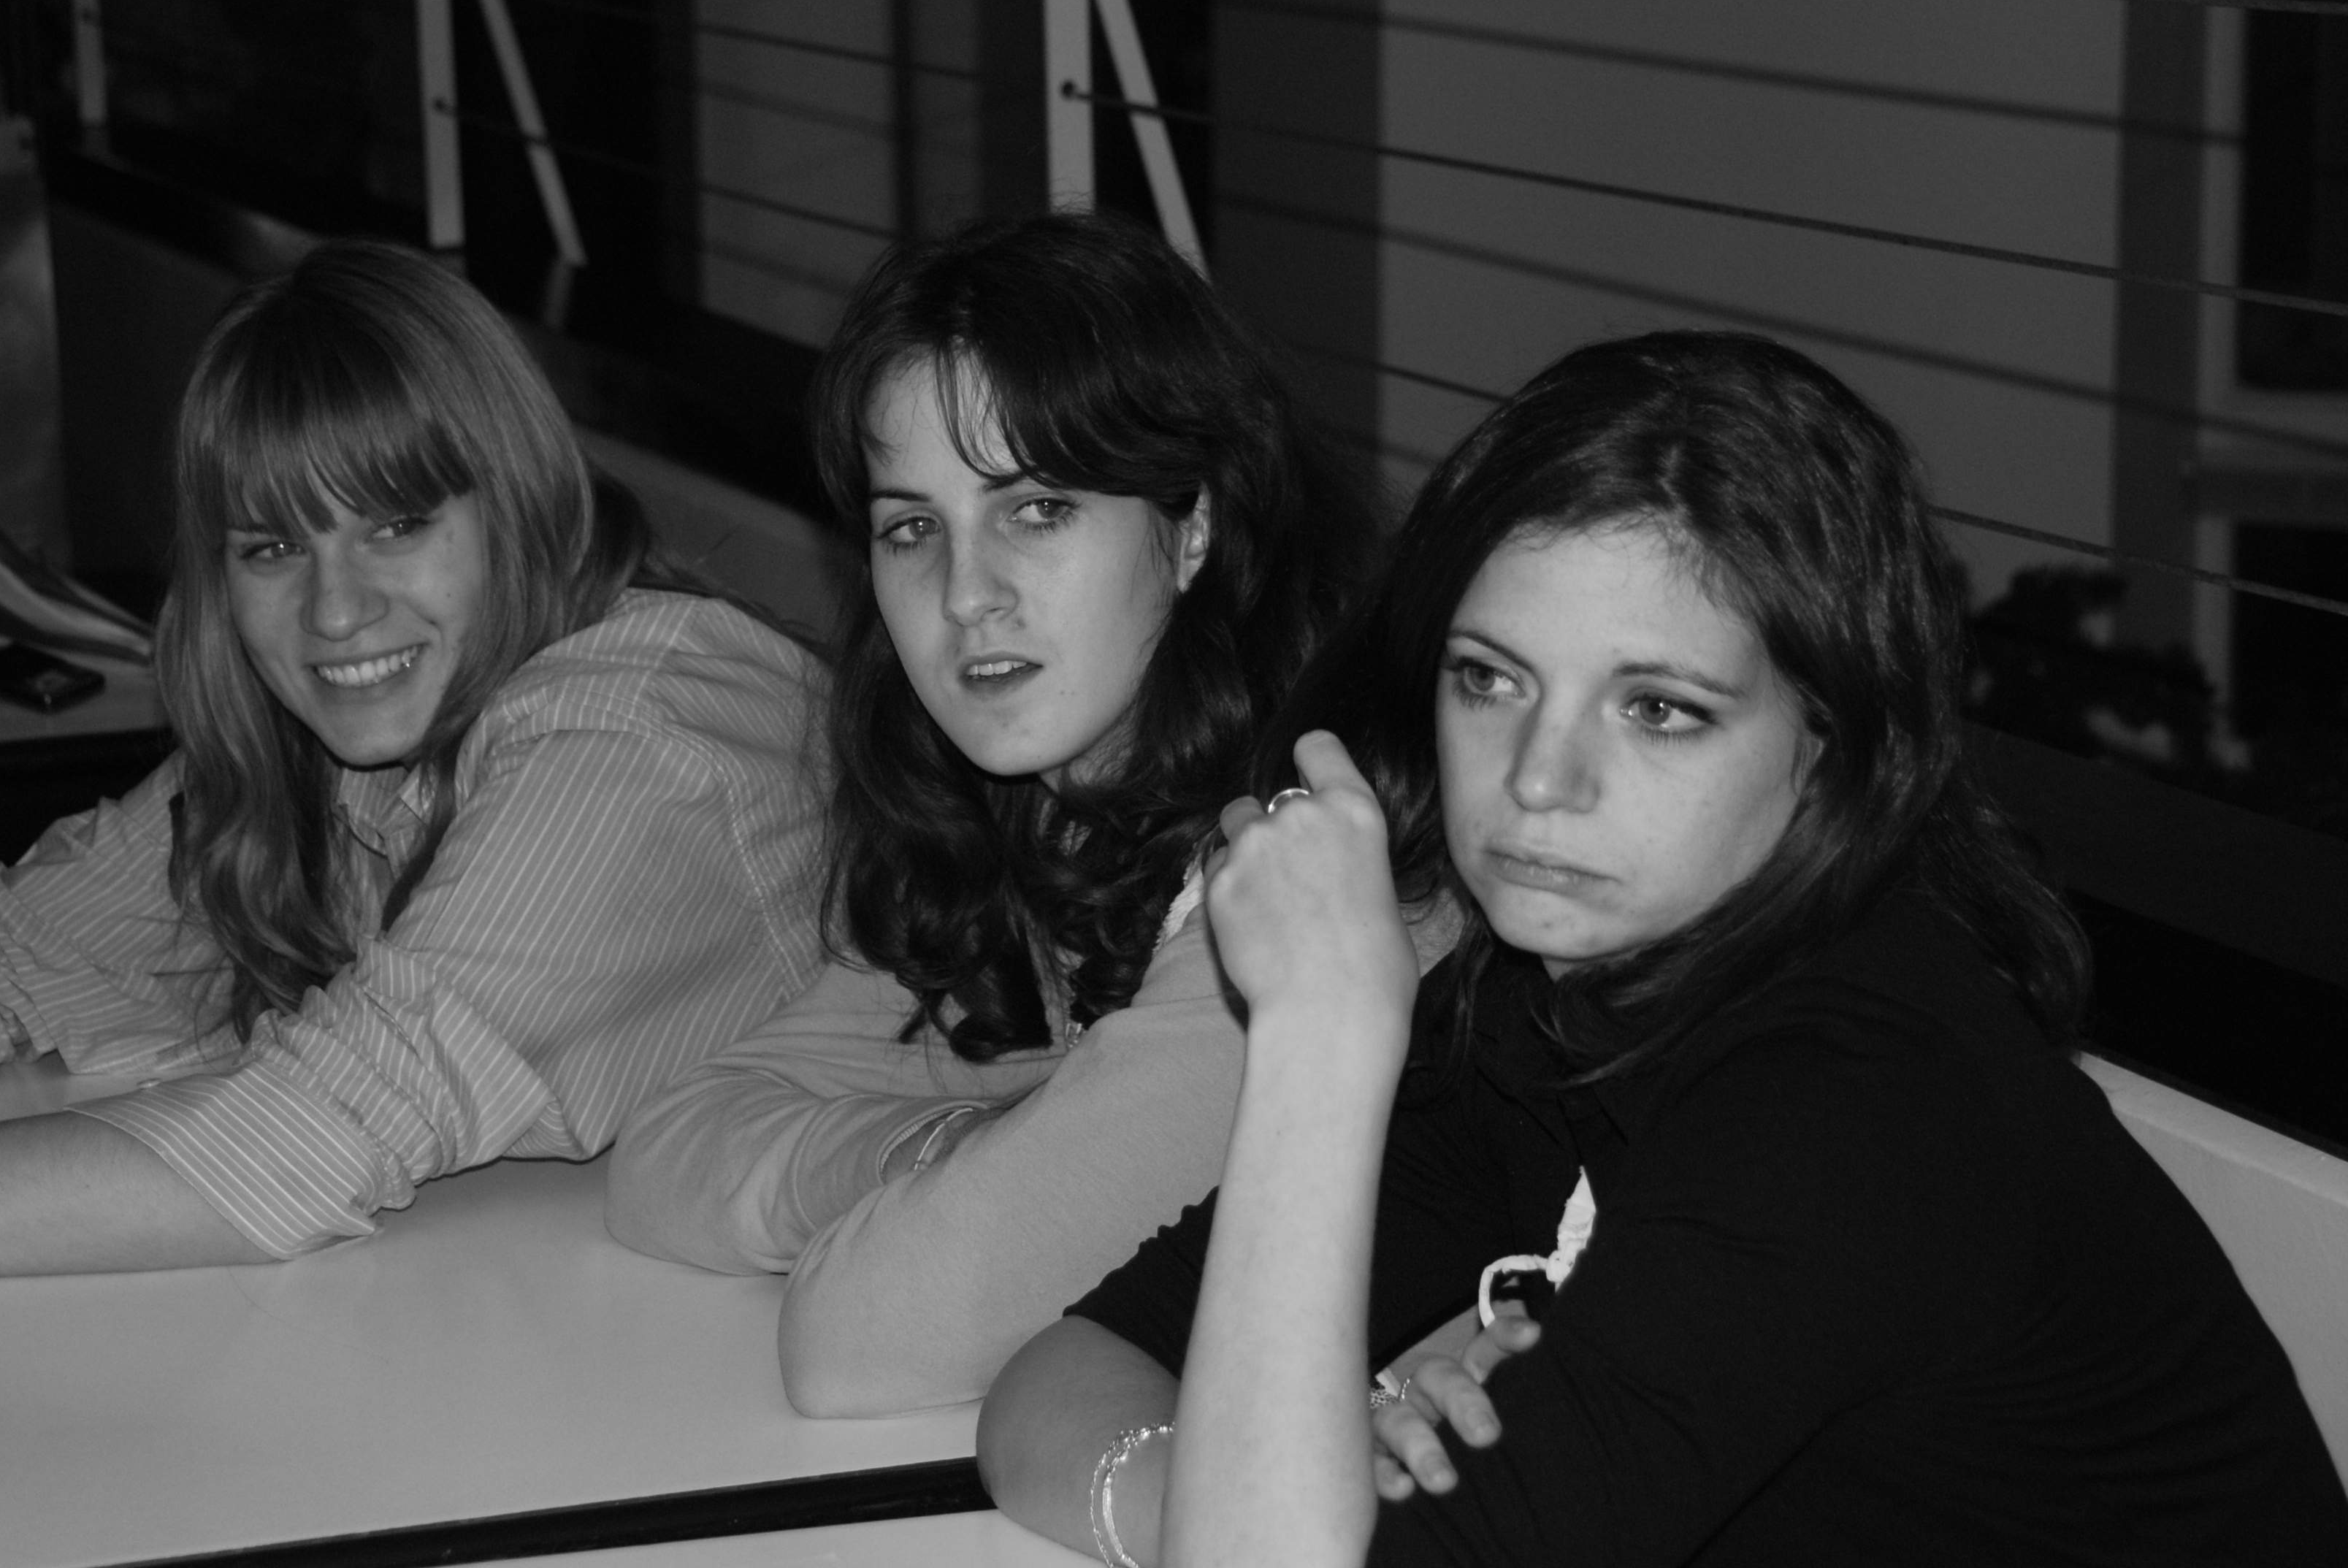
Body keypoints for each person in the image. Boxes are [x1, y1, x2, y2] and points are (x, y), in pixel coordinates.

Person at [979, 330, 2348, 1565]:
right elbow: (1066, 1373)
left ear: (1832, 747)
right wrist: (1217, 1498)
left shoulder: (1856, 1105)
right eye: (1490, 679)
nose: (1538, 780)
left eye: (1659, 710)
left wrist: (1320, 1038)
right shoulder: (1538, 1011)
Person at [0, 241, 827, 1294]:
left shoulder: (640, 741)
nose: (334, 613)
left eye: (396, 524)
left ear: (523, 502)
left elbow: (299, 1140)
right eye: (272, 548)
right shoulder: (334, 732)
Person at [607, 210, 1439, 1416]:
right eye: (912, 528)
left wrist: (998, 1171)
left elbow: (869, 1337)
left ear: (1194, 526)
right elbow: (671, 1152)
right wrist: (948, 1148)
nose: (966, 594)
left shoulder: (1316, 851)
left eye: (1038, 508)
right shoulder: (1043, 817)